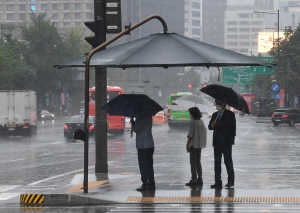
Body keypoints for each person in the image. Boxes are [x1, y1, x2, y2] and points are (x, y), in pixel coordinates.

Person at [208, 100, 236, 189]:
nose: (216, 105)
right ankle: (217, 181)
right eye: (215, 103)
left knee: (228, 161)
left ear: (223, 104)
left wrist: (231, 140)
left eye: (217, 103)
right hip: (217, 142)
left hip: (226, 142)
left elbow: (233, 128)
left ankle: (231, 181)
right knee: (217, 162)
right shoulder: (215, 115)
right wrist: (212, 125)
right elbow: (210, 127)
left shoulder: (230, 114)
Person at [130, 114, 155, 191]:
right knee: (149, 165)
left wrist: (133, 123)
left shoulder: (140, 117)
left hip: (142, 145)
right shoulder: (149, 116)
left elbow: (136, 129)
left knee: (143, 165)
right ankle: (151, 183)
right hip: (150, 144)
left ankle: (145, 184)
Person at [185, 107, 207, 186]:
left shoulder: (193, 122)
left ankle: (194, 179)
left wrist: (187, 145)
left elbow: (190, 135)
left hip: (193, 145)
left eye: (190, 113)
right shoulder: (201, 122)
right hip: (199, 145)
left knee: (192, 162)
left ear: (193, 114)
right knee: (198, 162)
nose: (190, 115)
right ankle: (200, 178)